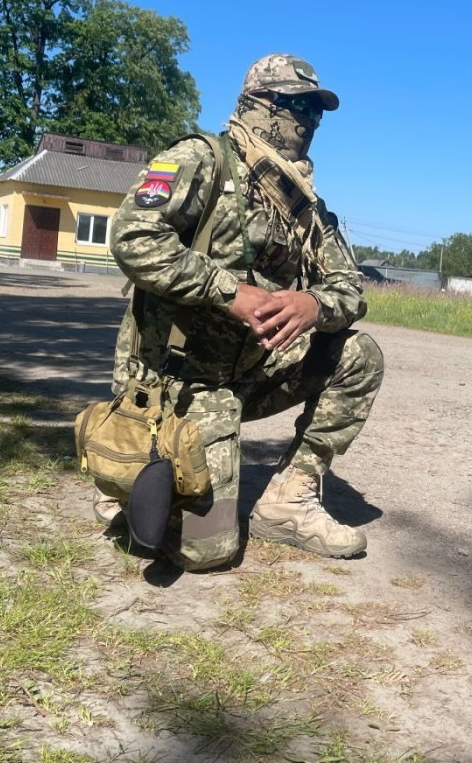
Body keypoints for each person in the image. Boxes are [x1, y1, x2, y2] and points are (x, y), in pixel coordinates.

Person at [101, 53, 384, 570]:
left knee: (359, 354)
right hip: (179, 381)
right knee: (208, 551)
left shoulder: (304, 204)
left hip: (250, 372)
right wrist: (229, 291)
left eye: (316, 112)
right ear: (258, 103)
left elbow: (350, 287)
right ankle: (134, 471)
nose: (307, 122)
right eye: (295, 105)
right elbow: (132, 237)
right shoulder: (201, 159)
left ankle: (287, 501)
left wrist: (314, 304)